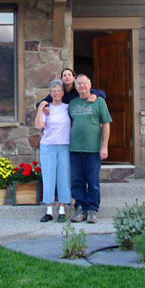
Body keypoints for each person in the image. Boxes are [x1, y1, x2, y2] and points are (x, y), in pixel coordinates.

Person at [68, 74, 111, 224]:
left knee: (92, 181)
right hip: (75, 149)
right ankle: (80, 209)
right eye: (79, 84)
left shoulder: (99, 102)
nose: (82, 86)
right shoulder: (72, 103)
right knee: (77, 181)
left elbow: (106, 124)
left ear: (90, 85)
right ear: (75, 86)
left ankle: (93, 210)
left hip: (93, 149)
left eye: (85, 83)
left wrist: (104, 146)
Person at [34, 79, 71, 222]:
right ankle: (49, 211)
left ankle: (62, 210)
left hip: (64, 145)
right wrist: (41, 107)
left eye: (58, 90)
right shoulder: (46, 108)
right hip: (48, 146)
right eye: (53, 91)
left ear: (62, 93)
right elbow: (38, 126)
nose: (56, 93)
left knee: (64, 177)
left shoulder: (68, 107)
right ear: (50, 93)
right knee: (48, 177)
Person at [36, 68, 105, 110]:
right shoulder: (59, 92)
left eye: (69, 75)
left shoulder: (79, 89)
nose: (67, 77)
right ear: (62, 79)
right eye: (64, 75)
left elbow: (102, 93)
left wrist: (95, 95)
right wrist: (46, 106)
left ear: (74, 78)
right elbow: (40, 103)